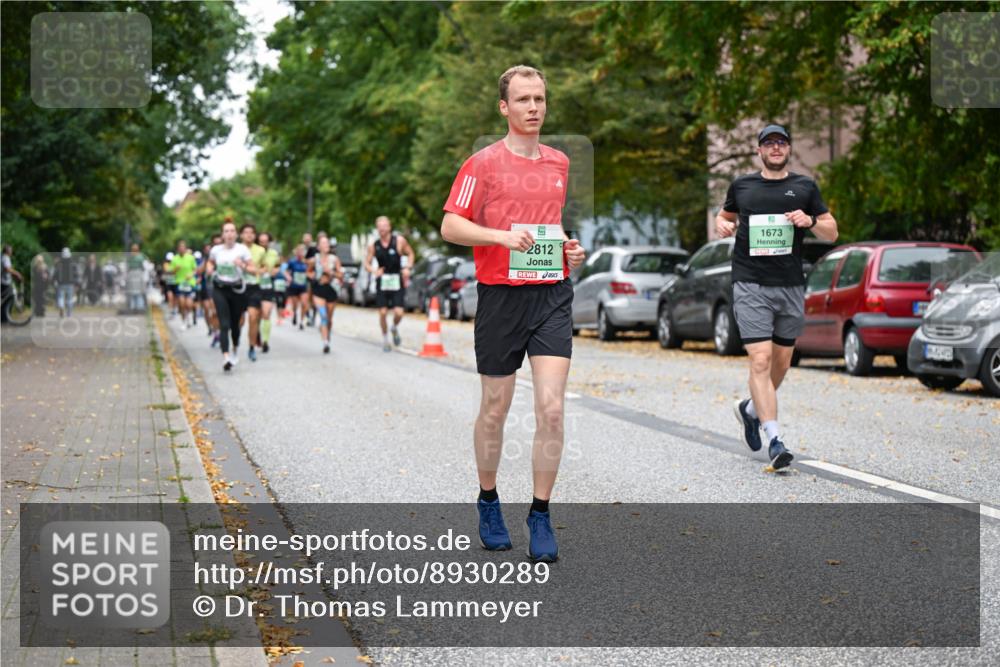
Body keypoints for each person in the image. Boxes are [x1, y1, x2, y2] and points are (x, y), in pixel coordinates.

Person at [440, 65, 586, 562]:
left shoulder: (559, 163)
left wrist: (569, 250)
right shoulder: (480, 164)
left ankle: (541, 513)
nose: (533, 107)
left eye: (539, 99)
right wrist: (500, 237)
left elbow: (551, 224)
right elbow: (451, 227)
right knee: (496, 409)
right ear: (504, 107)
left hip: (550, 294)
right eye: (523, 99)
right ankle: (488, 500)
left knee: (551, 408)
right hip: (500, 297)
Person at [717, 124, 838, 470]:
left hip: (789, 285)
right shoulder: (742, 186)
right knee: (760, 360)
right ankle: (775, 439)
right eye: (768, 143)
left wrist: (810, 219)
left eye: (780, 143)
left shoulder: (804, 187)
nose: (775, 147)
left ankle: (751, 410)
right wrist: (723, 226)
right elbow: (723, 218)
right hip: (750, 282)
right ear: (759, 151)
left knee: (782, 363)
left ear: (788, 149)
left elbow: (832, 231)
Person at [365, 216, 416, 352]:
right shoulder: (374, 245)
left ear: (389, 227)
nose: (382, 228)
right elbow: (366, 263)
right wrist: (374, 271)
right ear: (377, 229)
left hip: (396, 280)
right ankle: (385, 339)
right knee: (382, 313)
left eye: (384, 225)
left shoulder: (399, 241)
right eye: (379, 226)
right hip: (382, 281)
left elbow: (411, 254)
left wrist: (408, 268)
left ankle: (393, 327)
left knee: (399, 312)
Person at [207, 219, 252, 372]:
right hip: (220, 288)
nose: (229, 234)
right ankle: (226, 357)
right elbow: (210, 263)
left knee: (235, 324)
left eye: (232, 231)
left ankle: (235, 350)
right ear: (222, 235)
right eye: (226, 231)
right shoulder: (216, 250)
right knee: (224, 324)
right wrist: (209, 268)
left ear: (236, 234)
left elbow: (253, 269)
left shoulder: (243, 250)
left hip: (237, 289)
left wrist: (243, 265)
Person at [308, 235, 343, 354]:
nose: (326, 245)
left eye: (327, 243)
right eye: (323, 243)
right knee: (323, 316)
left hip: (332, 290)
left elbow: (341, 275)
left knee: (329, 318)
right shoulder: (314, 259)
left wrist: (331, 272)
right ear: (319, 246)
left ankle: (327, 334)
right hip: (319, 290)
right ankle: (325, 343)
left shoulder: (334, 259)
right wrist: (312, 276)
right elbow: (308, 272)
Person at [240, 224, 265, 361]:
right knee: (240, 320)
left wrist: (255, 271)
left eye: (251, 232)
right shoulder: (236, 249)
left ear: (255, 236)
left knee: (253, 317)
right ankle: (236, 342)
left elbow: (264, 269)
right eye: (246, 232)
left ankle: (252, 347)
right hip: (238, 287)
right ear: (241, 235)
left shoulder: (261, 251)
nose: (249, 235)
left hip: (254, 286)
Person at [254, 231, 281, 354]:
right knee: (257, 315)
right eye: (261, 242)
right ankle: (258, 333)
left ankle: (265, 341)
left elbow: (277, 267)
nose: (264, 244)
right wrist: (259, 270)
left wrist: (272, 271)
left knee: (266, 313)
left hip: (268, 286)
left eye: (266, 242)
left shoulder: (273, 253)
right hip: (255, 286)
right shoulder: (254, 252)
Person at [169, 241, 198, 329]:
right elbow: (171, 273)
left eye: (183, 247)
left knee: (188, 304)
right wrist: (175, 269)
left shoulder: (191, 258)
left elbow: (195, 269)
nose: (181, 249)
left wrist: (191, 275)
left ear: (185, 249)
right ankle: (183, 321)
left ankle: (188, 316)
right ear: (178, 249)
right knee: (181, 303)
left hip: (189, 283)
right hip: (179, 283)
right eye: (180, 247)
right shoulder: (174, 259)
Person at [198, 238, 221, 345]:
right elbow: (199, 271)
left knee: (220, 311)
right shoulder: (208, 258)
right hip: (209, 287)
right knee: (213, 311)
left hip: (224, 287)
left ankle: (221, 331)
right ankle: (216, 332)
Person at [285, 244, 310, 330]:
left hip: (303, 286)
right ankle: (295, 313)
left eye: (302, 251)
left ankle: (302, 321)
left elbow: (310, 271)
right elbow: (286, 271)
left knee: (304, 303)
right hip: (294, 286)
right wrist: (288, 277)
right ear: (296, 253)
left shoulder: (306, 262)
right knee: (295, 304)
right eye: (299, 251)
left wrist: (308, 275)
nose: (300, 253)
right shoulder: (292, 262)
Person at [1, 245, 24, 322]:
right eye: (11, 250)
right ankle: (5, 318)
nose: (12, 252)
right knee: (9, 299)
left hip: (4, 281)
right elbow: (7, 268)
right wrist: (17, 273)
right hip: (5, 282)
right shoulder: (5, 258)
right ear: (7, 251)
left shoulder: (2, 257)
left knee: (5, 299)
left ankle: (4, 317)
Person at [55, 248, 77, 318]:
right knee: (69, 298)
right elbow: (75, 274)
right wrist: (77, 283)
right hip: (70, 283)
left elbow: (56, 273)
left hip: (61, 283)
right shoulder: (73, 264)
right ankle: (69, 313)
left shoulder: (59, 263)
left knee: (61, 297)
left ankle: (61, 306)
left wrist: (53, 280)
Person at [125, 243, 147, 312]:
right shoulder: (141, 257)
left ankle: (133, 306)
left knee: (133, 292)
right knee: (139, 291)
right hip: (138, 273)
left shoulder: (129, 257)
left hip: (132, 274)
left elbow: (127, 267)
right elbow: (143, 267)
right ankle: (139, 307)